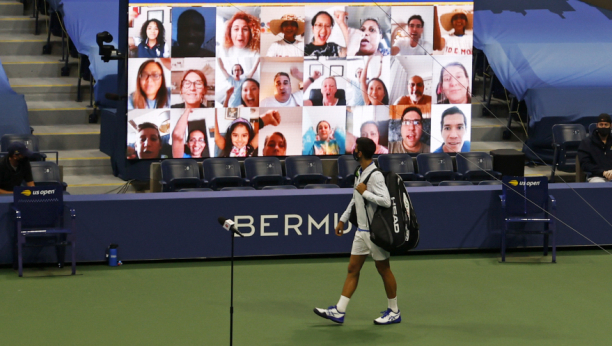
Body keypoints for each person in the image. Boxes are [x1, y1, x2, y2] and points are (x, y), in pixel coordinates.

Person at [314, 137, 400, 325]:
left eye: (355, 148)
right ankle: (339, 311)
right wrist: (343, 219)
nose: (353, 150)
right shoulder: (360, 172)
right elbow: (355, 199)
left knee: (384, 269)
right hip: (361, 232)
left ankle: (394, 311)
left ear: (360, 152)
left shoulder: (375, 175)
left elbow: (385, 201)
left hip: (374, 234)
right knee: (353, 269)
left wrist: (365, 192)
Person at [578, 113, 612, 183]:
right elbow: (585, 164)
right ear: (597, 125)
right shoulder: (587, 142)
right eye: (601, 124)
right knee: (601, 186)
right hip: (596, 176)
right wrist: (602, 172)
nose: (603, 127)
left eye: (606, 125)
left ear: (610, 126)